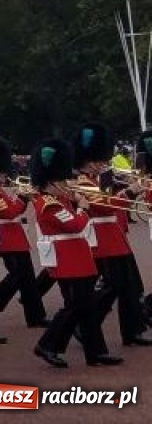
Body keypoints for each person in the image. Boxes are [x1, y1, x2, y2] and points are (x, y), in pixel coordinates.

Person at [30, 137, 119, 368]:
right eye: (63, 180)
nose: (68, 183)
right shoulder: (48, 203)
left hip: (79, 258)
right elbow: (75, 225)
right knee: (76, 306)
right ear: (52, 181)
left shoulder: (60, 199)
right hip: (68, 261)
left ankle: (96, 353)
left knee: (86, 308)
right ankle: (48, 345)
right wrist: (83, 207)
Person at [73, 122, 151, 347]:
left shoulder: (99, 180)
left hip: (116, 237)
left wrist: (125, 188)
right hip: (103, 239)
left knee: (130, 286)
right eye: (100, 161)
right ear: (89, 161)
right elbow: (105, 206)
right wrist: (129, 191)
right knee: (114, 285)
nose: (104, 164)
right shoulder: (83, 182)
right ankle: (85, 323)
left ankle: (133, 330)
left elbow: (112, 200)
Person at [0, 137, 48, 329]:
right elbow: (9, 212)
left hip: (14, 235)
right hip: (6, 236)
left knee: (27, 278)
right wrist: (24, 198)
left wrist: (21, 198)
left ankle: (36, 316)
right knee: (18, 275)